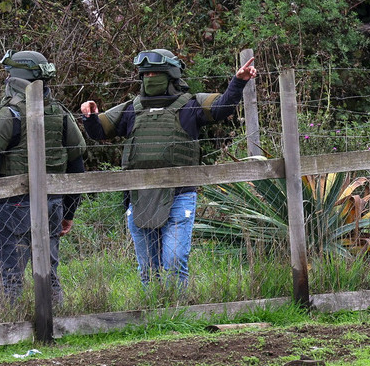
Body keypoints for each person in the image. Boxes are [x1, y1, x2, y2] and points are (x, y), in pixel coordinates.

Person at [81, 50, 257, 286]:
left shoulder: (190, 105)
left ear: (171, 75)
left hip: (179, 195)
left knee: (174, 260)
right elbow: (99, 131)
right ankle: (153, 309)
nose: (150, 78)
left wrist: (238, 82)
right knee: (147, 268)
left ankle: (177, 307)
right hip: (140, 197)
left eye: (156, 74)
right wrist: (90, 116)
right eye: (146, 74)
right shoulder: (132, 109)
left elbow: (221, 107)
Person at [0, 50, 86, 305]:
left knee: (10, 275)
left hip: (12, 206)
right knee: (49, 272)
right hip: (53, 204)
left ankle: (10, 321)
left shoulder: (6, 113)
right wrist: (69, 210)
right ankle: (58, 319)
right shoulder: (61, 113)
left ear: (15, 77)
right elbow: (77, 165)